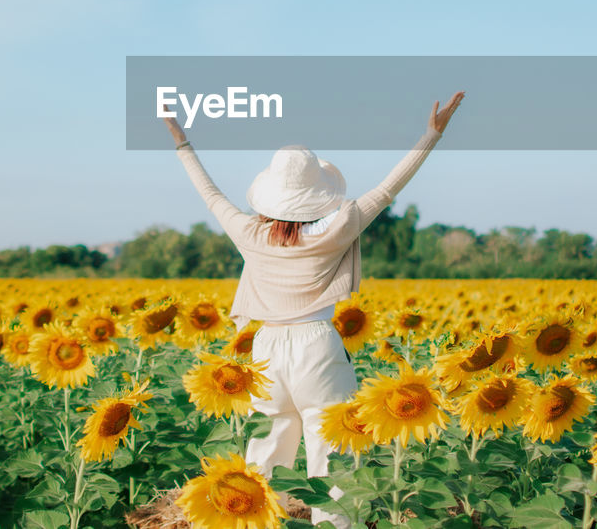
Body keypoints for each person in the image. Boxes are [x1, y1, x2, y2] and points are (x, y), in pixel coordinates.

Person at [163, 91, 464, 528]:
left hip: (265, 348)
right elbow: (388, 188)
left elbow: (209, 193)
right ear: (317, 195)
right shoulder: (336, 230)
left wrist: (181, 143)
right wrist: (430, 137)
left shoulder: (248, 232)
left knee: (261, 459)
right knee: (331, 461)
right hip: (318, 345)